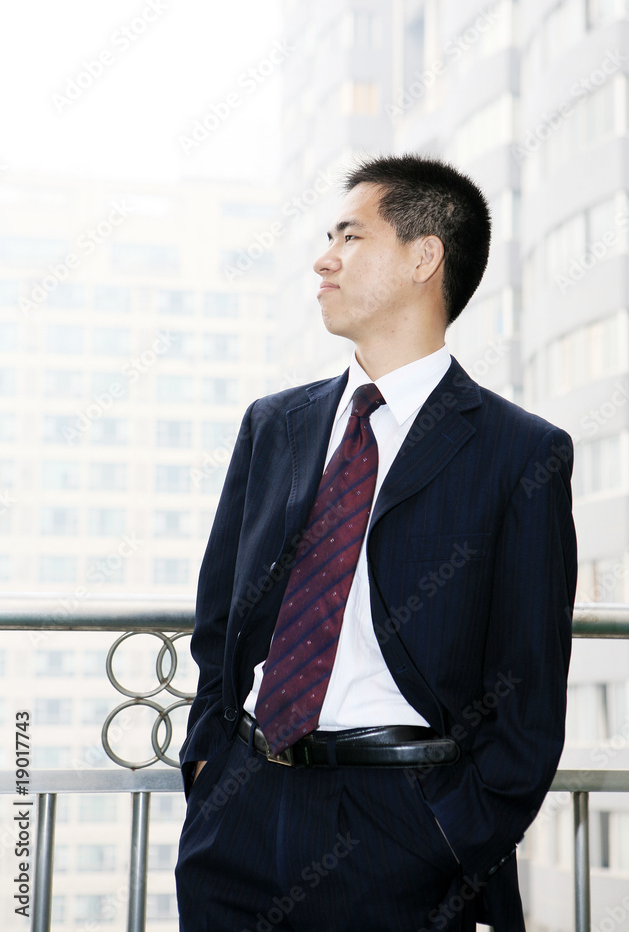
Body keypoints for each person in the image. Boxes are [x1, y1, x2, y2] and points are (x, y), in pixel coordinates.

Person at [175, 153, 577, 932]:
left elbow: (527, 685)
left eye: (350, 236)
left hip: (402, 830)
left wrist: (457, 832)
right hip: (240, 813)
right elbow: (219, 620)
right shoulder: (275, 425)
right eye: (328, 236)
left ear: (424, 256)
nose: (323, 258)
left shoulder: (518, 451)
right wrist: (207, 766)